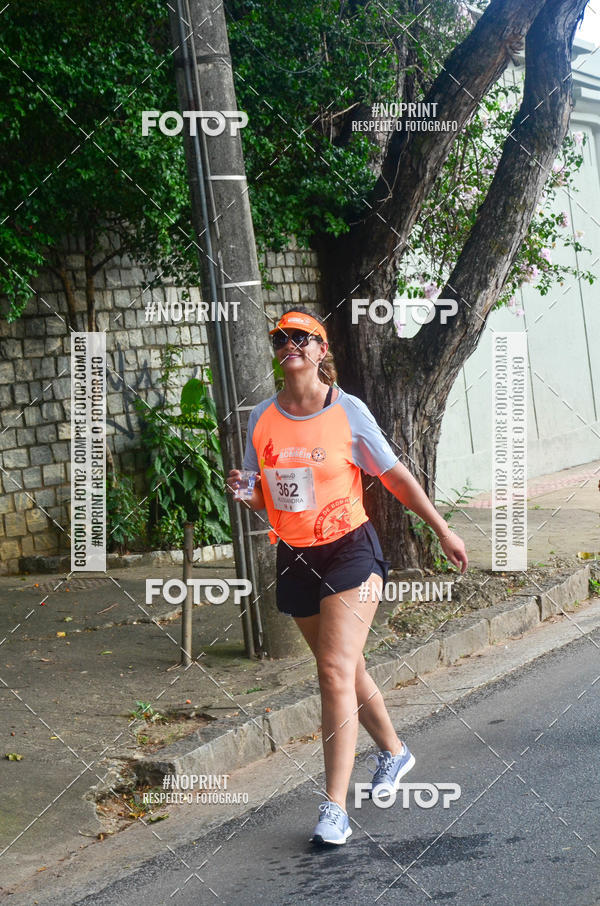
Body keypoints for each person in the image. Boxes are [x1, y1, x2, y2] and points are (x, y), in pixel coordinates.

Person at [227, 307, 468, 846]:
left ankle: (334, 807)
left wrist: (442, 530)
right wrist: (246, 492)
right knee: (345, 667)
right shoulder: (261, 418)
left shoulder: (348, 411)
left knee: (333, 670)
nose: (290, 344)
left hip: (351, 551)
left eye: (302, 338)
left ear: (321, 350)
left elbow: (395, 476)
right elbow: (266, 497)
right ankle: (395, 751)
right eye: (282, 338)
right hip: (294, 554)